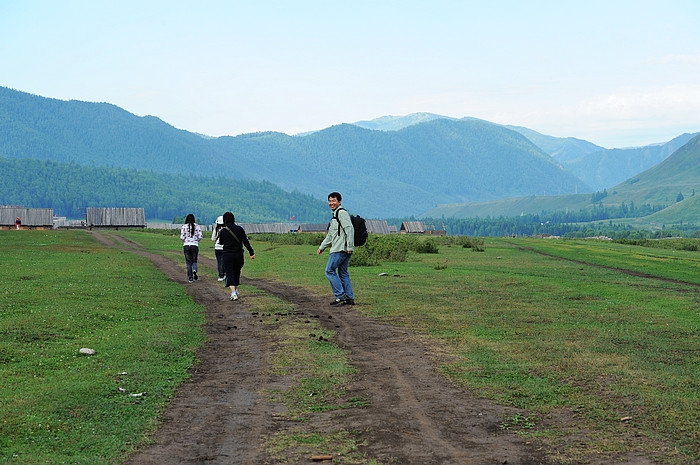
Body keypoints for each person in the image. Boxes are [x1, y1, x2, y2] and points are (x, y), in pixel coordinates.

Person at [317, 192, 355, 305]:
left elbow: (349, 229)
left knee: (329, 270)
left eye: (333, 201)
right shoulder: (335, 215)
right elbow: (330, 235)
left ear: (339, 202)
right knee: (343, 273)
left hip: (340, 249)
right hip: (343, 248)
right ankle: (349, 298)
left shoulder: (341, 213)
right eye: (329, 201)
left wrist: (350, 246)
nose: (331, 203)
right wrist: (322, 247)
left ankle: (340, 295)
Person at [218, 211, 255, 301]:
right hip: (238, 255)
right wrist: (251, 252)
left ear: (224, 220)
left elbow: (221, 242)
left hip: (227, 255)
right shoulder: (240, 229)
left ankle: (233, 293)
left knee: (230, 273)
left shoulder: (223, 231)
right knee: (237, 272)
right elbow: (246, 242)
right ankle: (235, 290)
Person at [180, 214, 203, 283]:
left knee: (188, 262)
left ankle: (190, 278)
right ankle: (194, 270)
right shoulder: (197, 226)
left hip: (186, 245)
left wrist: (186, 240)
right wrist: (196, 241)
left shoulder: (184, 226)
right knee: (194, 260)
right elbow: (200, 236)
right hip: (194, 245)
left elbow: (182, 237)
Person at [211, 216, 226, 281]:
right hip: (225, 247)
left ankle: (220, 276)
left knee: (219, 262)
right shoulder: (226, 229)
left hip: (217, 248)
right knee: (225, 262)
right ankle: (225, 274)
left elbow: (213, 238)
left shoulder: (216, 229)